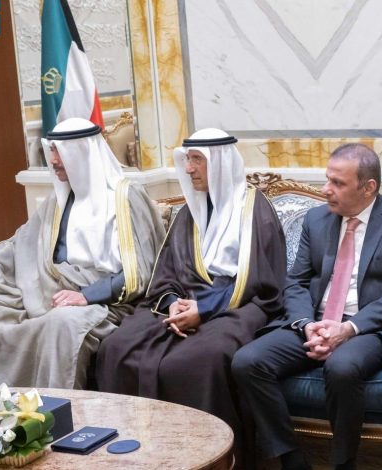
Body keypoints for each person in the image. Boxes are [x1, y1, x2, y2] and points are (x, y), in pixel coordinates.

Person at [0, 117, 163, 393]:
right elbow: (19, 244)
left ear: (82, 153)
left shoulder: (126, 197)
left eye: (60, 152)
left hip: (104, 302)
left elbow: (140, 272)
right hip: (42, 293)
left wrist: (86, 296)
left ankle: (53, 409)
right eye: (52, 151)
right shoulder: (59, 199)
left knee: (63, 324)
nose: (53, 161)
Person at [232, 143, 382, 470]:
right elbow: (296, 280)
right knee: (247, 361)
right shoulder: (316, 219)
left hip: (365, 327)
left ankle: (343, 463)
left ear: (368, 188)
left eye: (338, 183)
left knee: (341, 368)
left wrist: (348, 329)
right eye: (327, 179)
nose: (326, 190)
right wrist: (305, 324)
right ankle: (291, 459)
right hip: (314, 320)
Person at [95, 128, 286, 463]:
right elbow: (167, 272)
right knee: (116, 347)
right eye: (187, 160)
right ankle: (133, 454)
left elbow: (262, 280)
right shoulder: (189, 212)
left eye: (197, 160)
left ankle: (208, 458)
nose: (189, 169)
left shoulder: (255, 210)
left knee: (197, 360)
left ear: (220, 162)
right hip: (183, 300)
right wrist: (172, 304)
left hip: (238, 304)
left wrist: (204, 309)